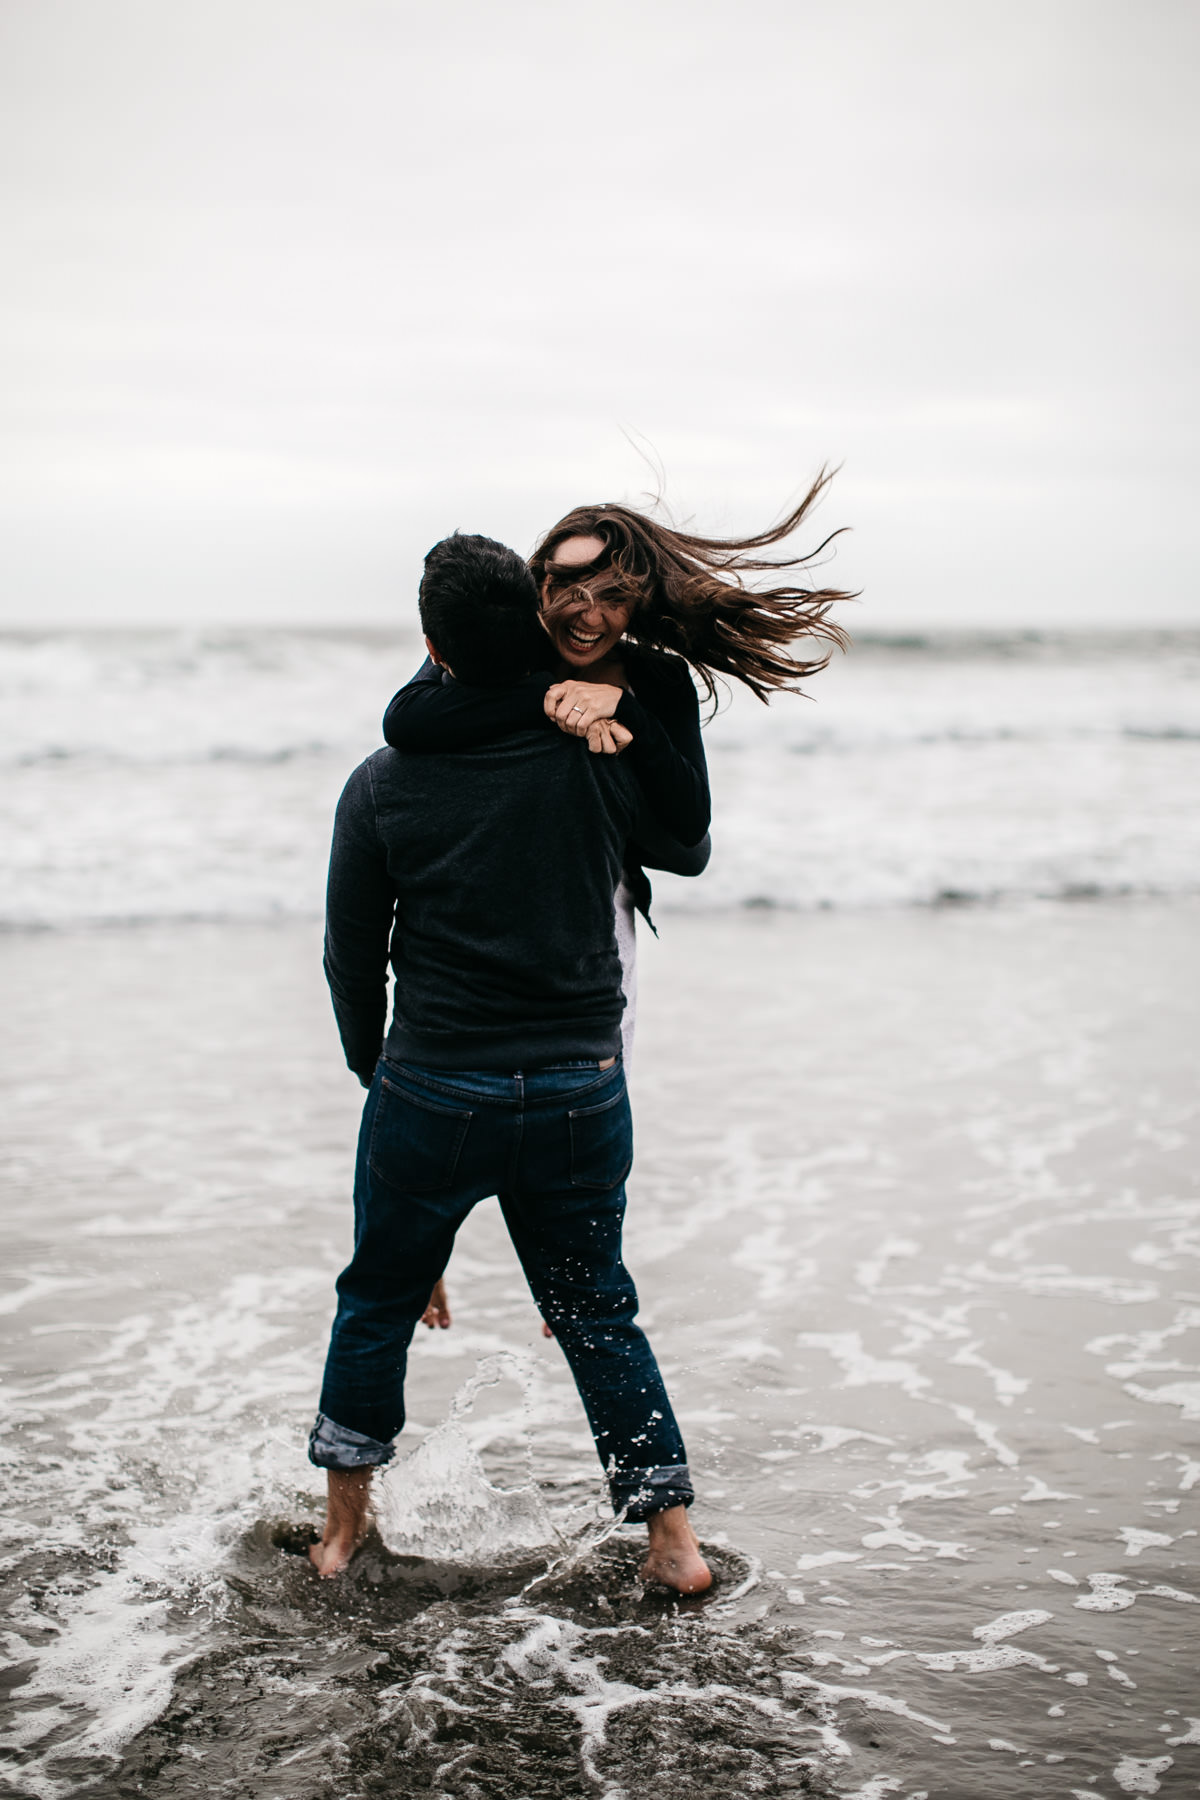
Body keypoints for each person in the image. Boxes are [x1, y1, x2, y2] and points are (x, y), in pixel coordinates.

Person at [308, 532, 711, 1593]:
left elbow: (351, 960)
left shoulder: (381, 785)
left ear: (433, 645)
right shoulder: (598, 753)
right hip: (582, 1084)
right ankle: (673, 1543)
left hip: (435, 1085)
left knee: (378, 1300)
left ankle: (342, 1534)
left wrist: (377, 1085)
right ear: (532, 628)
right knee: (597, 1313)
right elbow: (685, 842)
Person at [385, 472, 853, 1332]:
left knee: (592, 1096)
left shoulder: (657, 681)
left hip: (596, 912)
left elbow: (690, 836)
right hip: (479, 904)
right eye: (566, 587)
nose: (585, 613)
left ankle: (578, 1267)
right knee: (438, 1083)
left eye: (610, 594)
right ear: (538, 584)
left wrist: (621, 707)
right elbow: (407, 722)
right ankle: (417, 1253)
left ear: (639, 602)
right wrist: (547, 699)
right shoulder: (504, 651)